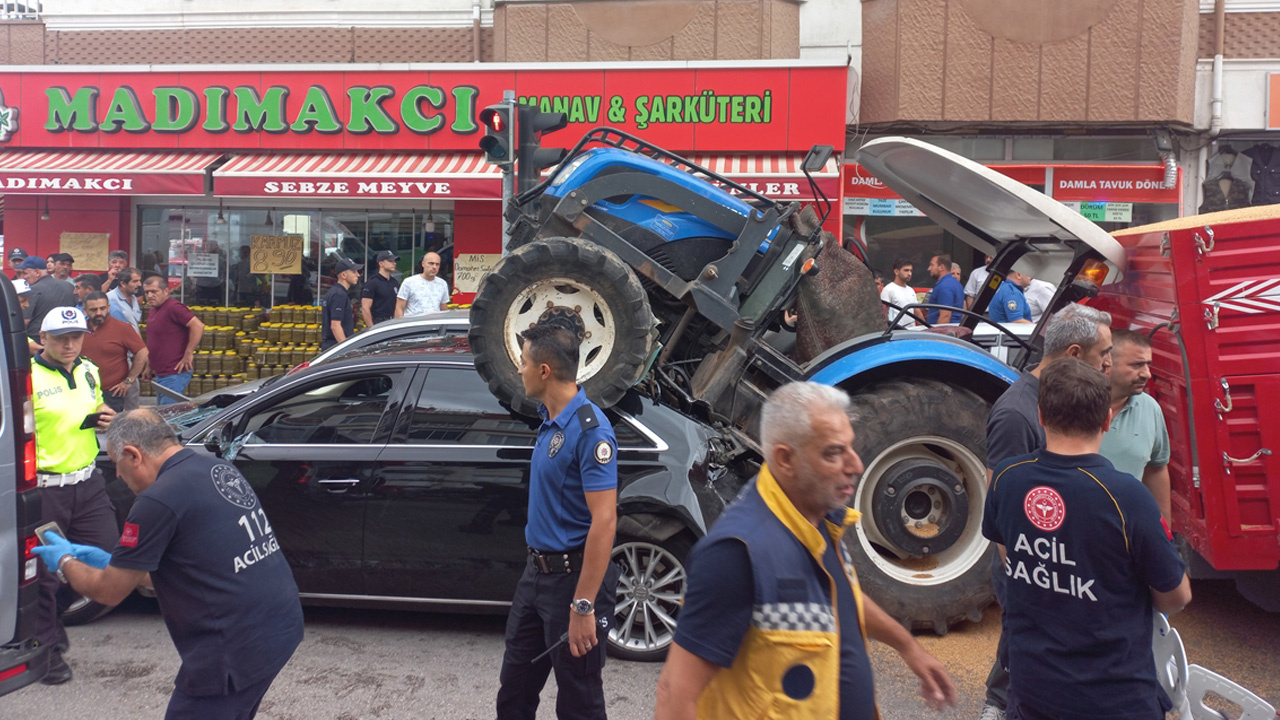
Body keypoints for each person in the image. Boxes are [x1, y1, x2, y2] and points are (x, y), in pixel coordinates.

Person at [653, 382, 956, 719]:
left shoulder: (819, 517)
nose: (855, 464)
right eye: (833, 452)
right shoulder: (736, 554)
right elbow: (674, 695)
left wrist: (907, 645)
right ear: (785, 459)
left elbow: (840, 595)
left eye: (850, 448)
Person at [32, 409, 305, 719]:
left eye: (117, 464)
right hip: (279, 626)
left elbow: (108, 593)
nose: (118, 476)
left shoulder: (156, 499)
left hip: (232, 649)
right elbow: (192, 566)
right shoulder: (214, 467)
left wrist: (65, 560)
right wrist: (118, 563)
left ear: (133, 455)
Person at [982, 357, 1191, 720]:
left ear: (1041, 416)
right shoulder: (1126, 495)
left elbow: (1010, 558)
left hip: (1031, 689)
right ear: (1107, 421)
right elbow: (1177, 596)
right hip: (1112, 697)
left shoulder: (1005, 478)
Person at [978, 302, 1113, 720]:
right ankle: (998, 705)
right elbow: (1002, 504)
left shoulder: (1060, 399)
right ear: (1074, 354)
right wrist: (1024, 577)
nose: (1109, 362)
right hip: (1026, 561)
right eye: (1103, 353)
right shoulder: (1017, 414)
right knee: (1025, 634)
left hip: (1052, 556)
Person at [496, 321, 621, 720]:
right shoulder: (550, 418)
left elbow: (604, 521)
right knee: (514, 693)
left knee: (579, 702)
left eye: (525, 362)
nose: (519, 370)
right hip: (535, 577)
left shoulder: (590, 430)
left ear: (544, 371)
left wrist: (583, 606)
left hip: (573, 582)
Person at [29, 306, 120, 685]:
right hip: (45, 488)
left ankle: (52, 620)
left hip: (87, 482)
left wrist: (104, 413)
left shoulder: (88, 370)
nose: (70, 344)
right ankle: (47, 650)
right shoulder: (28, 377)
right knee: (45, 578)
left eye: (77, 336)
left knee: (109, 561)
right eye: (61, 337)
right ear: (43, 338)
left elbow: (94, 402)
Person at [1100, 329, 1172, 520]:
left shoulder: (1150, 408)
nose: (1147, 374)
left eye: (1148, 364)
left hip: (1127, 535)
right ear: (1107, 363)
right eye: (1137, 365)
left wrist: (1164, 533)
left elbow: (1156, 469)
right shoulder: (1072, 405)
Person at [81, 292, 149, 413]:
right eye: (93, 309)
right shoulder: (79, 329)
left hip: (113, 393)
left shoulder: (122, 328)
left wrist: (129, 380)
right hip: (84, 393)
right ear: (85, 310)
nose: (98, 313)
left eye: (102, 308)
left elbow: (142, 352)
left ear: (108, 307)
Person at [142, 276, 204, 403]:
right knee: (164, 414)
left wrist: (188, 354)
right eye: (147, 292)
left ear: (166, 291)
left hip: (174, 373)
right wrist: (149, 366)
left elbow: (198, 326)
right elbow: (155, 340)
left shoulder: (173, 307)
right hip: (161, 373)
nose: (150, 295)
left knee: (169, 416)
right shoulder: (153, 310)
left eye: (154, 291)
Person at [23, 255, 77, 344]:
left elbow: (26, 320)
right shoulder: (69, 286)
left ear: (37, 272)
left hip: (38, 340)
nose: (24, 277)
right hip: (66, 338)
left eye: (25, 273)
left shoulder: (32, 290)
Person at [395, 251, 450, 318]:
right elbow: (399, 308)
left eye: (437, 264)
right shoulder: (409, 282)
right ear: (423, 264)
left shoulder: (442, 284)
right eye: (431, 263)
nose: (434, 267)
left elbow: (443, 308)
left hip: (434, 325)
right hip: (413, 325)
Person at [321, 257, 360, 351]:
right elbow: (335, 326)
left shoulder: (334, 292)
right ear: (343, 275)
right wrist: (346, 350)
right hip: (335, 347)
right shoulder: (339, 294)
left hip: (331, 346)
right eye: (354, 272)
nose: (358, 275)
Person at [361, 249, 401, 327]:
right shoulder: (372, 282)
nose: (394, 263)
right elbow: (365, 308)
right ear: (381, 263)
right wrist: (371, 328)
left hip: (393, 321)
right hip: (379, 322)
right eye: (390, 261)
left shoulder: (395, 283)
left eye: (394, 261)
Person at [925, 252, 964, 325]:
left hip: (943, 332)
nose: (929, 268)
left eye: (932, 265)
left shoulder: (945, 286)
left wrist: (936, 336)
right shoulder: (956, 284)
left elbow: (945, 316)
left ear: (941, 267)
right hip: (953, 329)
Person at [880, 257, 919, 328]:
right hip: (897, 333)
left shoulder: (911, 290)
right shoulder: (888, 289)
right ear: (896, 272)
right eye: (906, 270)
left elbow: (917, 312)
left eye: (911, 271)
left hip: (912, 332)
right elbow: (884, 313)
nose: (909, 273)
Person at [108, 267, 144, 332]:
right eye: (135, 281)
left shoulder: (133, 298)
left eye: (139, 281)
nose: (139, 284)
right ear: (123, 284)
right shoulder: (110, 298)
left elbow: (135, 325)